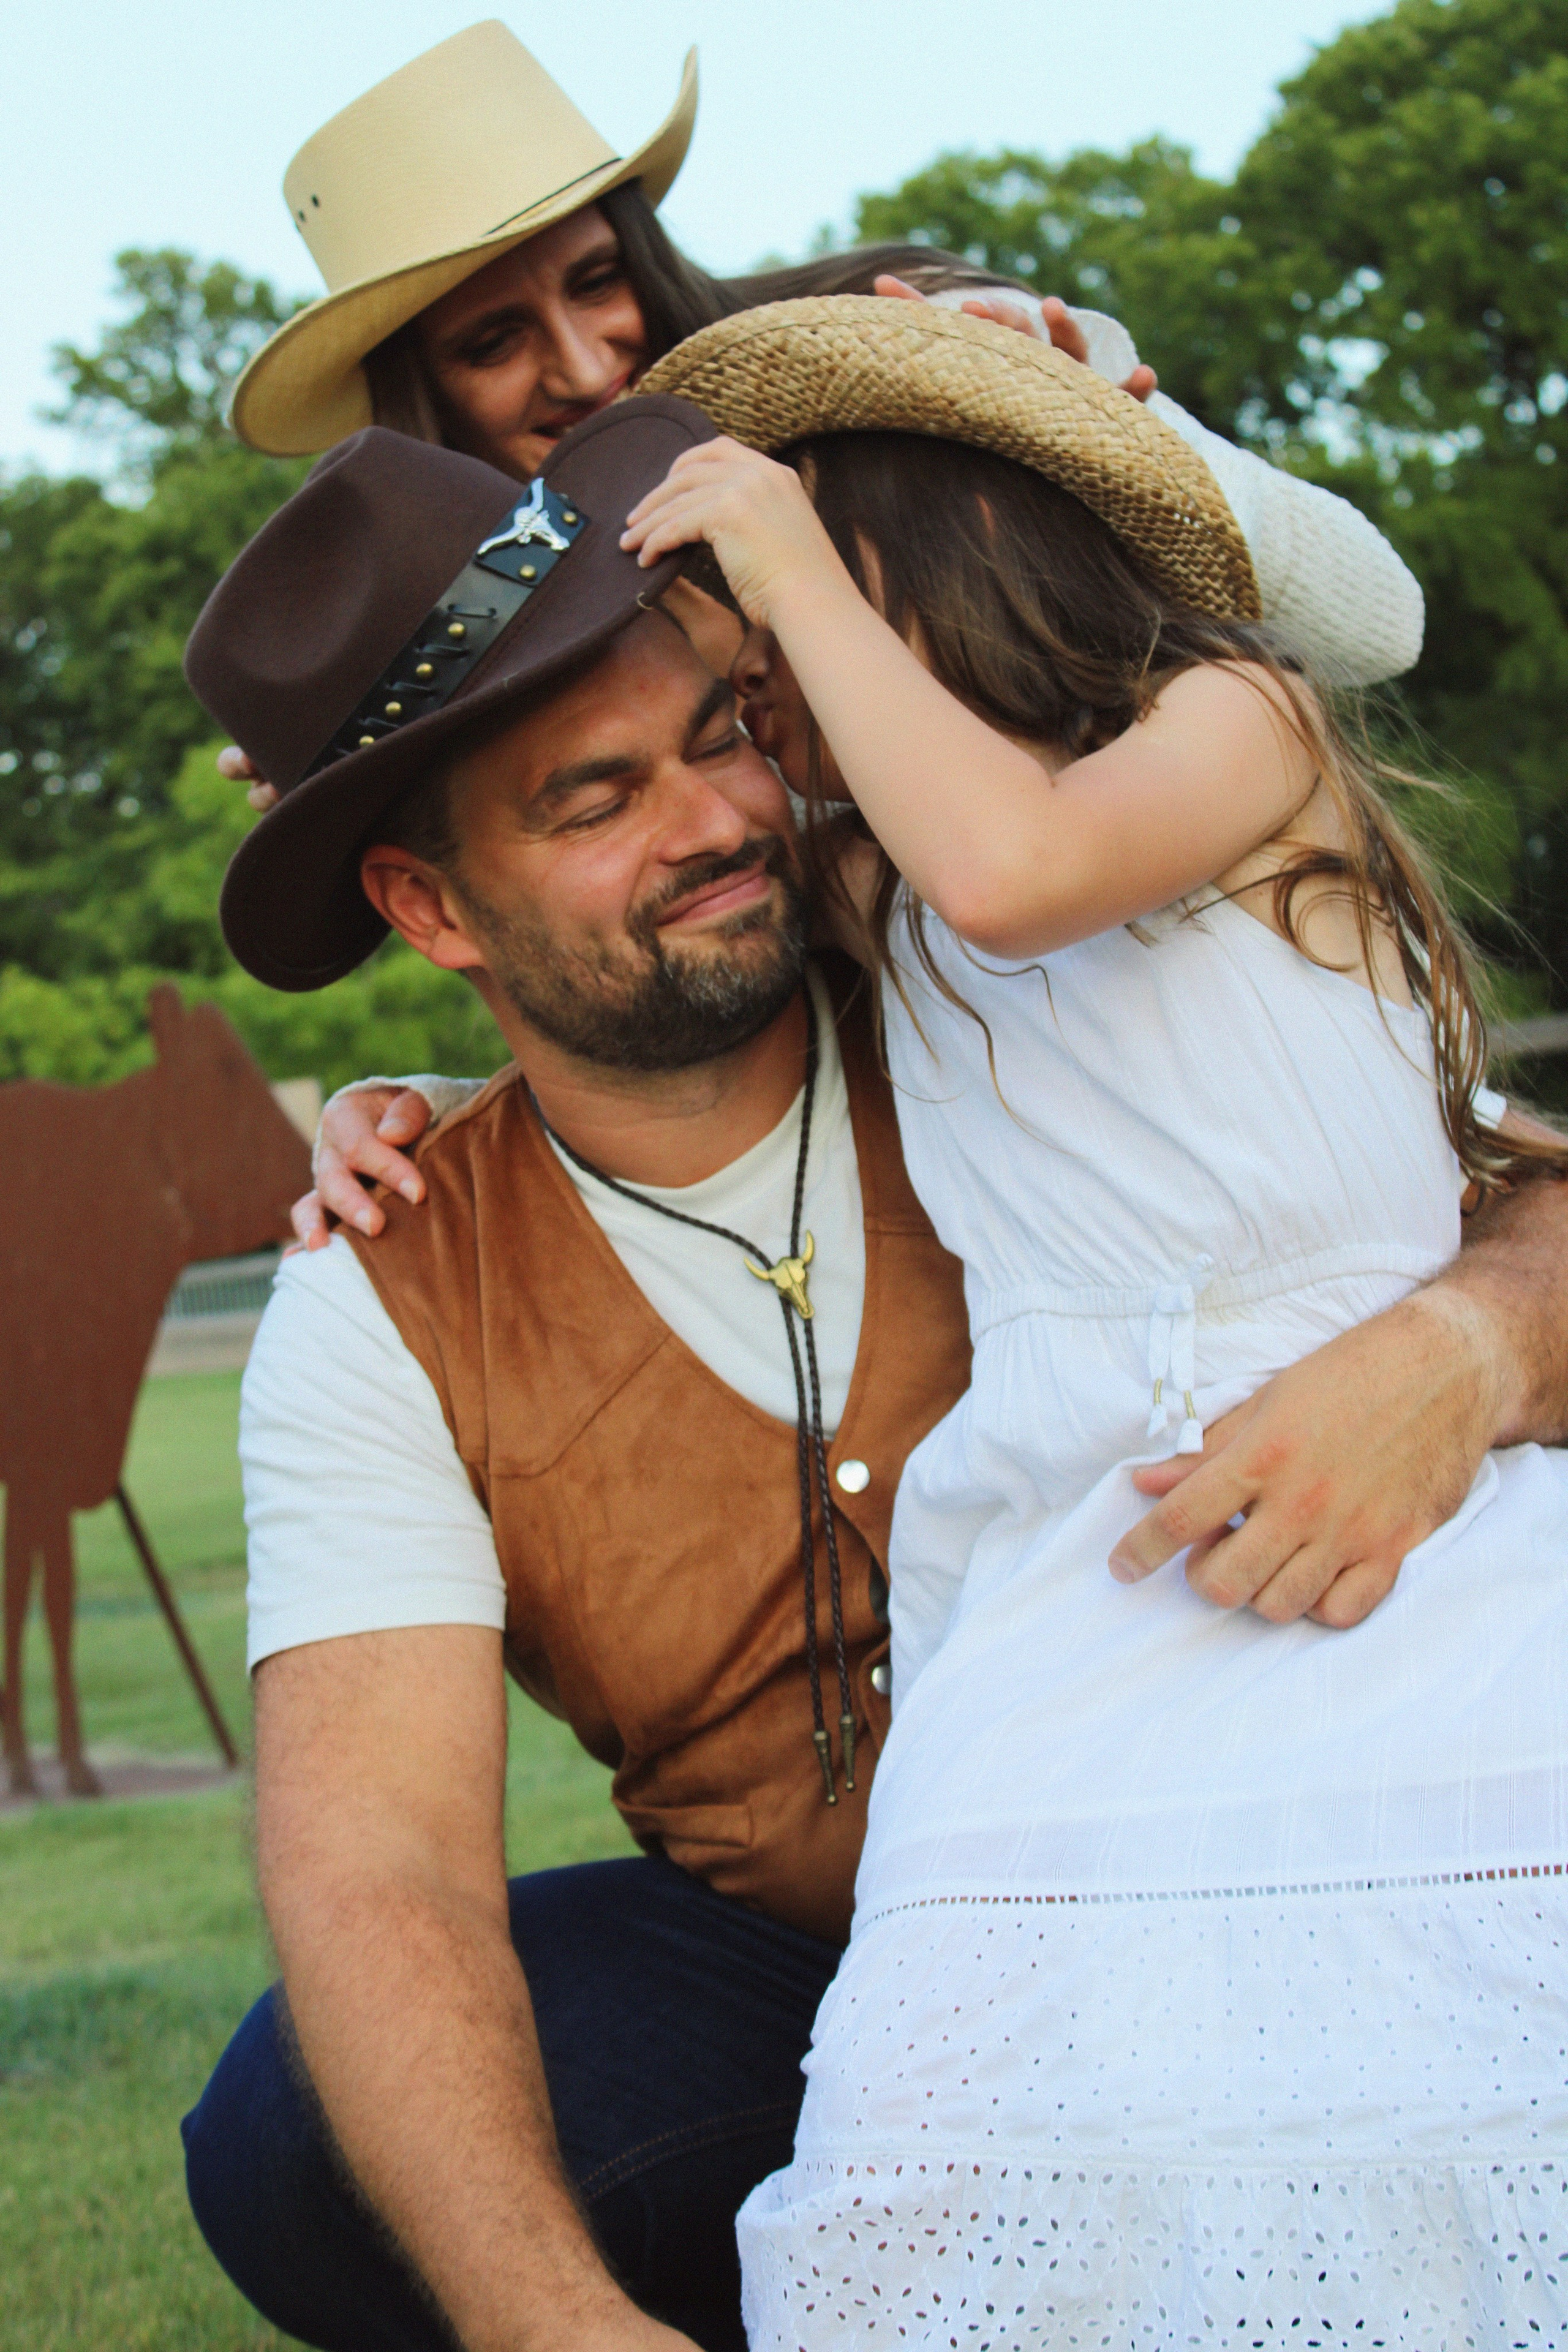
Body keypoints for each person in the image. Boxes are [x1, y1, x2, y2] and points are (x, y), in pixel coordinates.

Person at [176, 403, 1568, 2352]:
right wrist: (545, 2323)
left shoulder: (1025, 974)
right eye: (597, 802)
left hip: (1283, 1813)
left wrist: (1460, 1347)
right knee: (297, 2126)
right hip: (817, 1967)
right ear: (425, 907)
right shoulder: (396, 1278)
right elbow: (379, 1860)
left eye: (723, 737)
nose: (716, 824)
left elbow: (1493, 1179)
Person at [609, 296, 1568, 2342]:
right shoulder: (875, 883)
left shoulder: (1241, 725)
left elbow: (1022, 869)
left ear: (931, 552)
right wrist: (396, 1100)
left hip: (1411, 1536)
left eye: (776, 650)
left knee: (1455, 2078)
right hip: (1078, 1568)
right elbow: (646, 985)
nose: (766, 701)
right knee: (971, 2130)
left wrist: (777, 555)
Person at [222, 21, 1424, 816]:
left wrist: (1072, 417)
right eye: (492, 343)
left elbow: (1376, 625)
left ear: (642, 246)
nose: (584, 365)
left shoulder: (891, 340)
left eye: (596, 280)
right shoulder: (499, 619)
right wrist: (369, 769)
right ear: (425, 396)